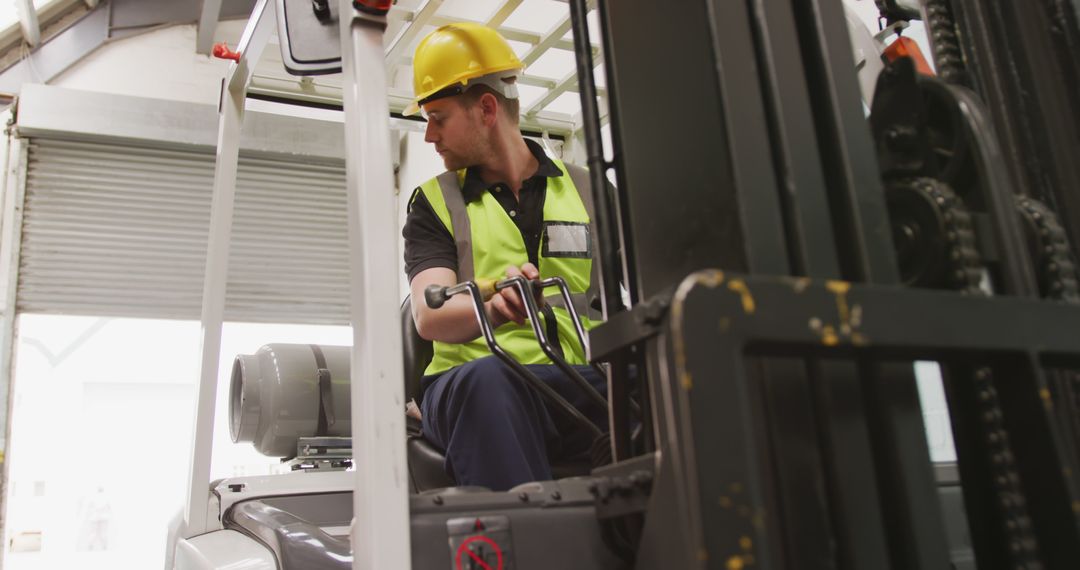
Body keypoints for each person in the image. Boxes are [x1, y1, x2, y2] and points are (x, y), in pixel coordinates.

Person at [402, 22, 607, 491]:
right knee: (489, 382)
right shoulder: (435, 203)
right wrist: (493, 309)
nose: (430, 135)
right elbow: (429, 315)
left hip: (578, 381)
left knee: (668, 378)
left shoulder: (589, 190)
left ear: (487, 109)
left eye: (438, 117)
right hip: (474, 380)